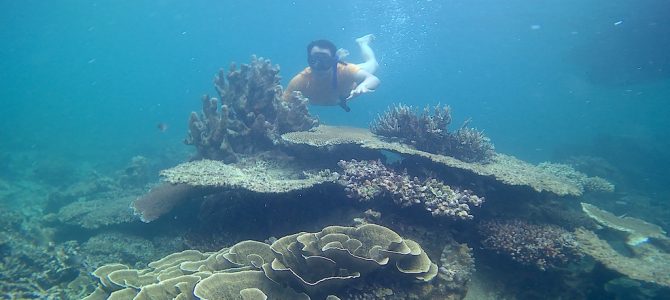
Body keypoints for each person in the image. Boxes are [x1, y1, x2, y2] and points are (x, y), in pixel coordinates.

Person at [283, 34, 380, 112]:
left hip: (344, 74)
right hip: (338, 87)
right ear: (309, 59)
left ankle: (363, 43)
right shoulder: (301, 80)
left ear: (332, 60)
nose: (318, 65)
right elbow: (283, 103)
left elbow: (373, 79)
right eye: (314, 59)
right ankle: (337, 57)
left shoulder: (346, 70)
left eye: (325, 59)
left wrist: (363, 86)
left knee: (373, 64)